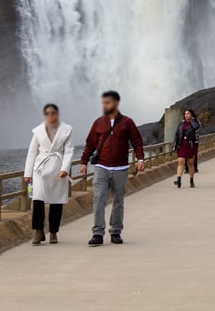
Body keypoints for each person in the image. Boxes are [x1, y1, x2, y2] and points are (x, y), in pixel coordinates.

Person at [80, 90, 145, 246]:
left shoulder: (127, 122)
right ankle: (97, 233)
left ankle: (115, 231)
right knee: (99, 198)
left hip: (121, 168)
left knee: (118, 201)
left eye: (107, 102)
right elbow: (90, 144)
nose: (105, 105)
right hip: (101, 166)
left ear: (116, 103)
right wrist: (83, 162)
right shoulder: (98, 122)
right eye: (103, 103)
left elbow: (137, 141)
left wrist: (140, 159)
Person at [23, 103, 73, 246]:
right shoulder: (38, 131)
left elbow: (69, 151)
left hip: (58, 168)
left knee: (56, 202)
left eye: (53, 113)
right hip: (40, 169)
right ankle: (38, 231)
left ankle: (53, 232)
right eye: (47, 113)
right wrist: (28, 172)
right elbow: (32, 152)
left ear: (57, 114)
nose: (50, 115)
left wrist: (65, 168)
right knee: (37, 200)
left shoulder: (66, 130)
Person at [173, 108, 200, 188]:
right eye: (185, 114)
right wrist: (175, 144)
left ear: (191, 115)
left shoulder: (194, 123)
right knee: (180, 161)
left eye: (188, 113)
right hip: (182, 144)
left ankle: (191, 180)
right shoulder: (181, 124)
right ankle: (179, 179)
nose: (186, 115)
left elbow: (196, 128)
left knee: (190, 163)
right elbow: (177, 134)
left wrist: (191, 121)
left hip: (190, 144)